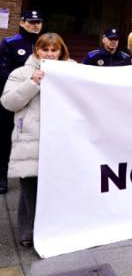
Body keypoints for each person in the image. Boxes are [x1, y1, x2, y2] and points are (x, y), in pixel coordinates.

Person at [1, 33, 72, 247]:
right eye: (45, 49)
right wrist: (32, 83)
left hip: (60, 140)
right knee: (30, 186)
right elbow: (8, 102)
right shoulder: (21, 73)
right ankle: (27, 231)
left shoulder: (72, 71)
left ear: (61, 52)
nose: (49, 54)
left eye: (54, 50)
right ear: (37, 51)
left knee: (56, 187)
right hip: (31, 139)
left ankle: (53, 228)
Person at [0, 9, 43, 195]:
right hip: (16, 95)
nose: (35, 25)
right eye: (31, 22)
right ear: (22, 22)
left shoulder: (44, 44)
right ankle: (2, 175)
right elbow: (2, 71)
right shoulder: (10, 43)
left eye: (38, 22)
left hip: (38, 101)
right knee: (4, 138)